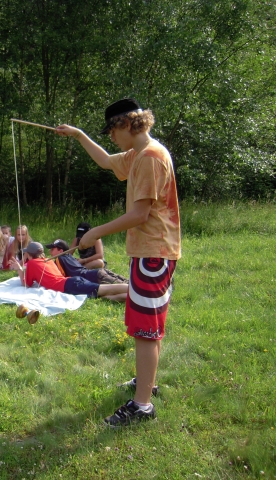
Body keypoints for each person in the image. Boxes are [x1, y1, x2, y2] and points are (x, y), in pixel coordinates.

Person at [56, 97, 181, 426]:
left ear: (126, 124)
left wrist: (96, 232)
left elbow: (139, 214)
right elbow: (107, 162)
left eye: (112, 131)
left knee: (145, 329)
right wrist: (79, 135)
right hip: (150, 252)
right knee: (148, 325)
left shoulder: (150, 157)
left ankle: (142, 406)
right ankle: (146, 383)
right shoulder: (138, 154)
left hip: (154, 253)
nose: (111, 137)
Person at [10, 242, 127, 302]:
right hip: (72, 281)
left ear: (29, 254)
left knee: (106, 289)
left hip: (69, 285)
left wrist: (19, 270)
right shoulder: (48, 260)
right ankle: (133, 295)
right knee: (104, 296)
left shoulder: (32, 263)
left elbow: (26, 284)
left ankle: (132, 289)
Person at [45, 239, 127, 284]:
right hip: (98, 272)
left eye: (52, 249)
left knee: (123, 286)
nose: (50, 252)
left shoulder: (59, 259)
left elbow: (59, 276)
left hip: (94, 277)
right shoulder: (70, 257)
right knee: (126, 282)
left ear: (60, 251)